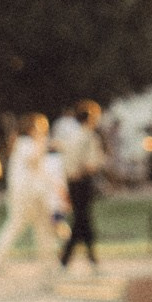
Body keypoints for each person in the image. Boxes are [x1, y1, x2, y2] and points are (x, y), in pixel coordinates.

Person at [0, 113, 68, 272]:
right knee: (16, 225)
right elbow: (34, 162)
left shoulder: (32, 143)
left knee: (43, 227)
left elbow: (42, 170)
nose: (43, 131)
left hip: (37, 193)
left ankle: (48, 264)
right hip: (24, 194)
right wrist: (42, 143)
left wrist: (55, 186)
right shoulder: (24, 143)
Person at [54, 99, 106, 272]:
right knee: (81, 220)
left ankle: (87, 257)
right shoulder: (89, 137)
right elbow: (91, 164)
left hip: (72, 181)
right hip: (83, 181)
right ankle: (72, 258)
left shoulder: (72, 136)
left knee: (82, 220)